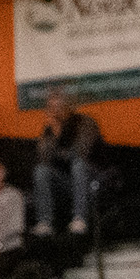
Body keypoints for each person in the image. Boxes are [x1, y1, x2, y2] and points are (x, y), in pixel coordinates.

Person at [32, 87, 103, 236]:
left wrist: (60, 134)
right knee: (41, 171)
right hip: (66, 182)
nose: (56, 111)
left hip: (91, 179)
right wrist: (54, 134)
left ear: (68, 106)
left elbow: (80, 153)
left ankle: (80, 219)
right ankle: (45, 223)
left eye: (59, 106)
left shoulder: (85, 123)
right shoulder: (50, 130)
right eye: (51, 108)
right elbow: (43, 159)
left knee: (78, 166)